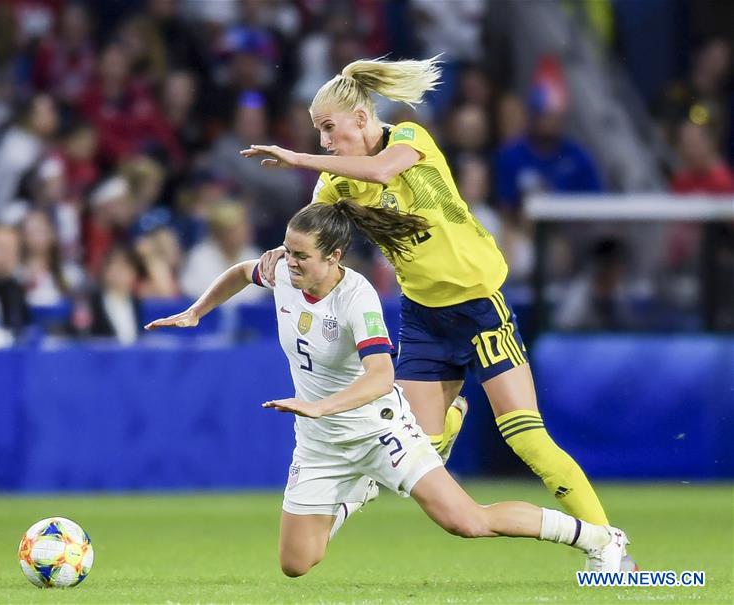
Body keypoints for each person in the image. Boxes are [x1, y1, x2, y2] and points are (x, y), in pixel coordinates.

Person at [240, 57, 624, 556]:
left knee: (527, 438)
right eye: (317, 134)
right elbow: (308, 231)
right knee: (419, 446)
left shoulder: (408, 138)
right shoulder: (335, 184)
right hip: (423, 317)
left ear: (361, 118)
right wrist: (280, 251)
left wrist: (299, 158)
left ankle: (608, 543)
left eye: (328, 129)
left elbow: (380, 171)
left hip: (478, 306)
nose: (324, 143)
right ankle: (442, 426)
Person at [146, 201, 629, 577]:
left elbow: (380, 377)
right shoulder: (283, 273)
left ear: (333, 257)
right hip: (321, 443)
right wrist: (196, 311)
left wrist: (320, 407)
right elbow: (239, 272)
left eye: (300, 255)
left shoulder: (358, 299)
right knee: (296, 564)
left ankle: (599, 538)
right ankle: (359, 489)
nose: (287, 263)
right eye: (286, 250)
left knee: (466, 521)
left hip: (379, 429)